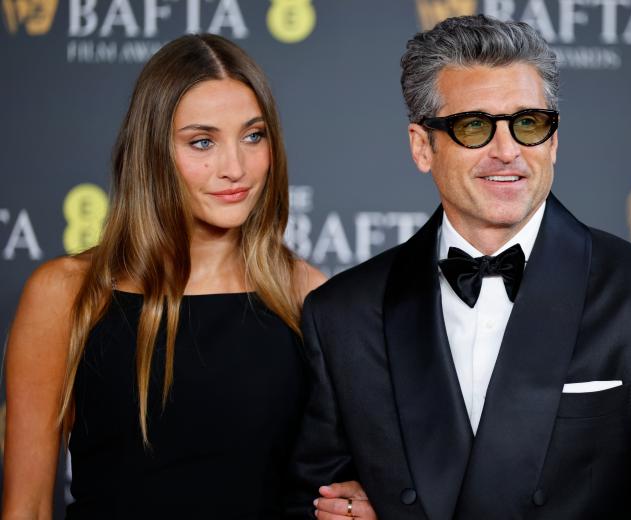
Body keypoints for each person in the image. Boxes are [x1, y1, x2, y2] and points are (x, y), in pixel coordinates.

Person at [288, 15, 631, 519]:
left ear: (553, 140)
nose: (507, 152)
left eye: (528, 124)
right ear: (423, 146)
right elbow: (311, 498)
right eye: (474, 127)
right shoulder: (342, 314)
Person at [2, 34, 372, 519]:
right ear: (152, 152)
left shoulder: (307, 296)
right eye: (202, 142)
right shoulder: (68, 293)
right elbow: (25, 507)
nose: (235, 167)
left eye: (253, 136)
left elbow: (342, 483)